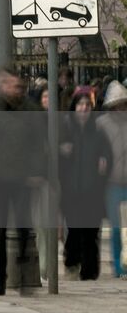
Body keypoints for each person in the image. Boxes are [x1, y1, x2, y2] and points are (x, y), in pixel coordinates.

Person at [0, 69, 45, 296]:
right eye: (11, 85)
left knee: (23, 227)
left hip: (23, 179)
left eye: (18, 85)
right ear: (3, 87)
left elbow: (39, 144)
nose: (15, 89)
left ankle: (23, 274)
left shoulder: (30, 110)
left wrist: (38, 172)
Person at [60, 90, 112, 280]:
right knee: (74, 230)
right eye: (80, 104)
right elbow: (54, 158)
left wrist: (105, 161)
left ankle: (89, 271)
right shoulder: (66, 130)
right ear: (74, 107)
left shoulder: (98, 133)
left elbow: (107, 154)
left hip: (93, 192)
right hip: (71, 191)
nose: (83, 108)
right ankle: (72, 263)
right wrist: (61, 151)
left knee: (91, 232)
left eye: (87, 105)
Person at [98, 80, 127, 278]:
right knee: (117, 227)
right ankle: (119, 266)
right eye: (117, 105)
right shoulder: (101, 124)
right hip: (112, 183)